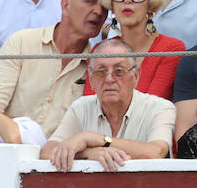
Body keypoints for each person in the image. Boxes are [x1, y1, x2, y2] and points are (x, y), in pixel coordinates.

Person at [42, 38, 175, 169]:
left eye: (119, 71)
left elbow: (155, 152)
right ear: (91, 79)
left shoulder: (160, 108)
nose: (109, 79)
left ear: (136, 76)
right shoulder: (80, 108)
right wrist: (88, 153)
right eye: (101, 72)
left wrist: (93, 139)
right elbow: (47, 152)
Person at [0, 0, 105, 136]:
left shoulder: (98, 65)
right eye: (90, 1)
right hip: (12, 152)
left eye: (105, 7)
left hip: (63, 157)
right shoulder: (22, 43)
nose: (99, 11)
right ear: (65, 5)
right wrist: (17, 137)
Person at [82, 0, 185, 100]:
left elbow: (151, 107)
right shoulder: (100, 51)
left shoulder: (171, 49)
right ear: (111, 4)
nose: (127, 0)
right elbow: (90, 106)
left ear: (150, 4)